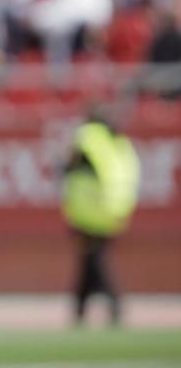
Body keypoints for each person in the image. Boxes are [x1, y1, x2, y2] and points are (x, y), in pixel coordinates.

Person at [62, 107, 141, 326]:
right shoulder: (120, 143)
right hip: (115, 210)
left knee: (95, 260)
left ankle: (115, 303)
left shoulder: (87, 137)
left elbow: (68, 163)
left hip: (89, 213)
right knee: (89, 260)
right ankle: (79, 309)